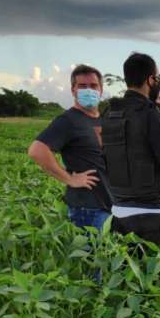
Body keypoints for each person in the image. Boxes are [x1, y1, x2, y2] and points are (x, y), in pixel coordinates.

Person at [101, 52, 160, 257]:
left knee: (127, 281)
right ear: (150, 79)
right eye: (156, 78)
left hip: (119, 212)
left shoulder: (109, 114)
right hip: (153, 215)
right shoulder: (152, 116)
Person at [28, 64, 112, 230]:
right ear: (73, 90)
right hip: (88, 210)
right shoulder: (68, 120)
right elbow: (37, 150)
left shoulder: (103, 120)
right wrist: (70, 179)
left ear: (101, 90)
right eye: (82, 86)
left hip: (108, 205)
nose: (89, 90)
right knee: (91, 255)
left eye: (93, 86)